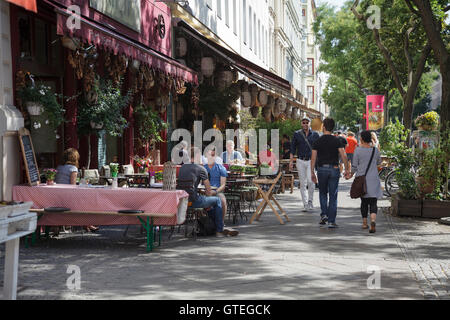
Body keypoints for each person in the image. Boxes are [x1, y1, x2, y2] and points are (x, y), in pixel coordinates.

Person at [179, 147, 238, 237]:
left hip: (182, 201)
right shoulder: (201, 168)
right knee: (217, 201)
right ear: (197, 156)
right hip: (194, 201)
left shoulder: (182, 168)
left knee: (209, 204)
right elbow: (208, 191)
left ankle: (215, 226)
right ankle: (219, 230)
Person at [311, 118, 350, 228]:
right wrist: (347, 169)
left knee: (323, 193)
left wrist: (312, 172)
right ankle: (331, 221)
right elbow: (344, 156)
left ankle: (324, 214)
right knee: (333, 195)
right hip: (334, 169)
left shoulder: (317, 141)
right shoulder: (337, 140)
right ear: (333, 128)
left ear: (323, 126)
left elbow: (313, 158)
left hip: (321, 169)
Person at [55, 148, 98, 233]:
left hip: (58, 195)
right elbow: (72, 186)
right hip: (68, 196)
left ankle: (86, 224)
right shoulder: (73, 168)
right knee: (86, 203)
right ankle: (87, 224)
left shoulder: (59, 167)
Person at [347, 131, 382, 233]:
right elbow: (379, 162)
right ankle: (373, 220)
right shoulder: (375, 150)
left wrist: (350, 175)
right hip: (373, 179)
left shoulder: (357, 150)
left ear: (362, 139)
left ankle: (364, 223)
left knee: (364, 202)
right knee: (373, 202)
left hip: (362, 180)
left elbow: (354, 166)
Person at [289, 116, 320, 211]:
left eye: (307, 122)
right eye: (303, 122)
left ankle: (310, 201)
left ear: (310, 123)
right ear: (301, 124)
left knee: (311, 182)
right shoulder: (297, 134)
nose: (305, 124)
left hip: (311, 161)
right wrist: (291, 162)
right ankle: (305, 204)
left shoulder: (315, 134)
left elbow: (318, 148)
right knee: (302, 183)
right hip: (300, 161)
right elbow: (292, 148)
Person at [204, 149, 228, 222]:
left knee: (223, 201)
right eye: (209, 155)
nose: (211, 157)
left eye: (213, 155)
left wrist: (215, 192)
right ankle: (205, 223)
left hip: (217, 191)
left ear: (216, 156)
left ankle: (221, 223)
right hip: (204, 191)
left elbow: (223, 185)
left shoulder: (221, 168)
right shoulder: (202, 168)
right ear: (206, 156)